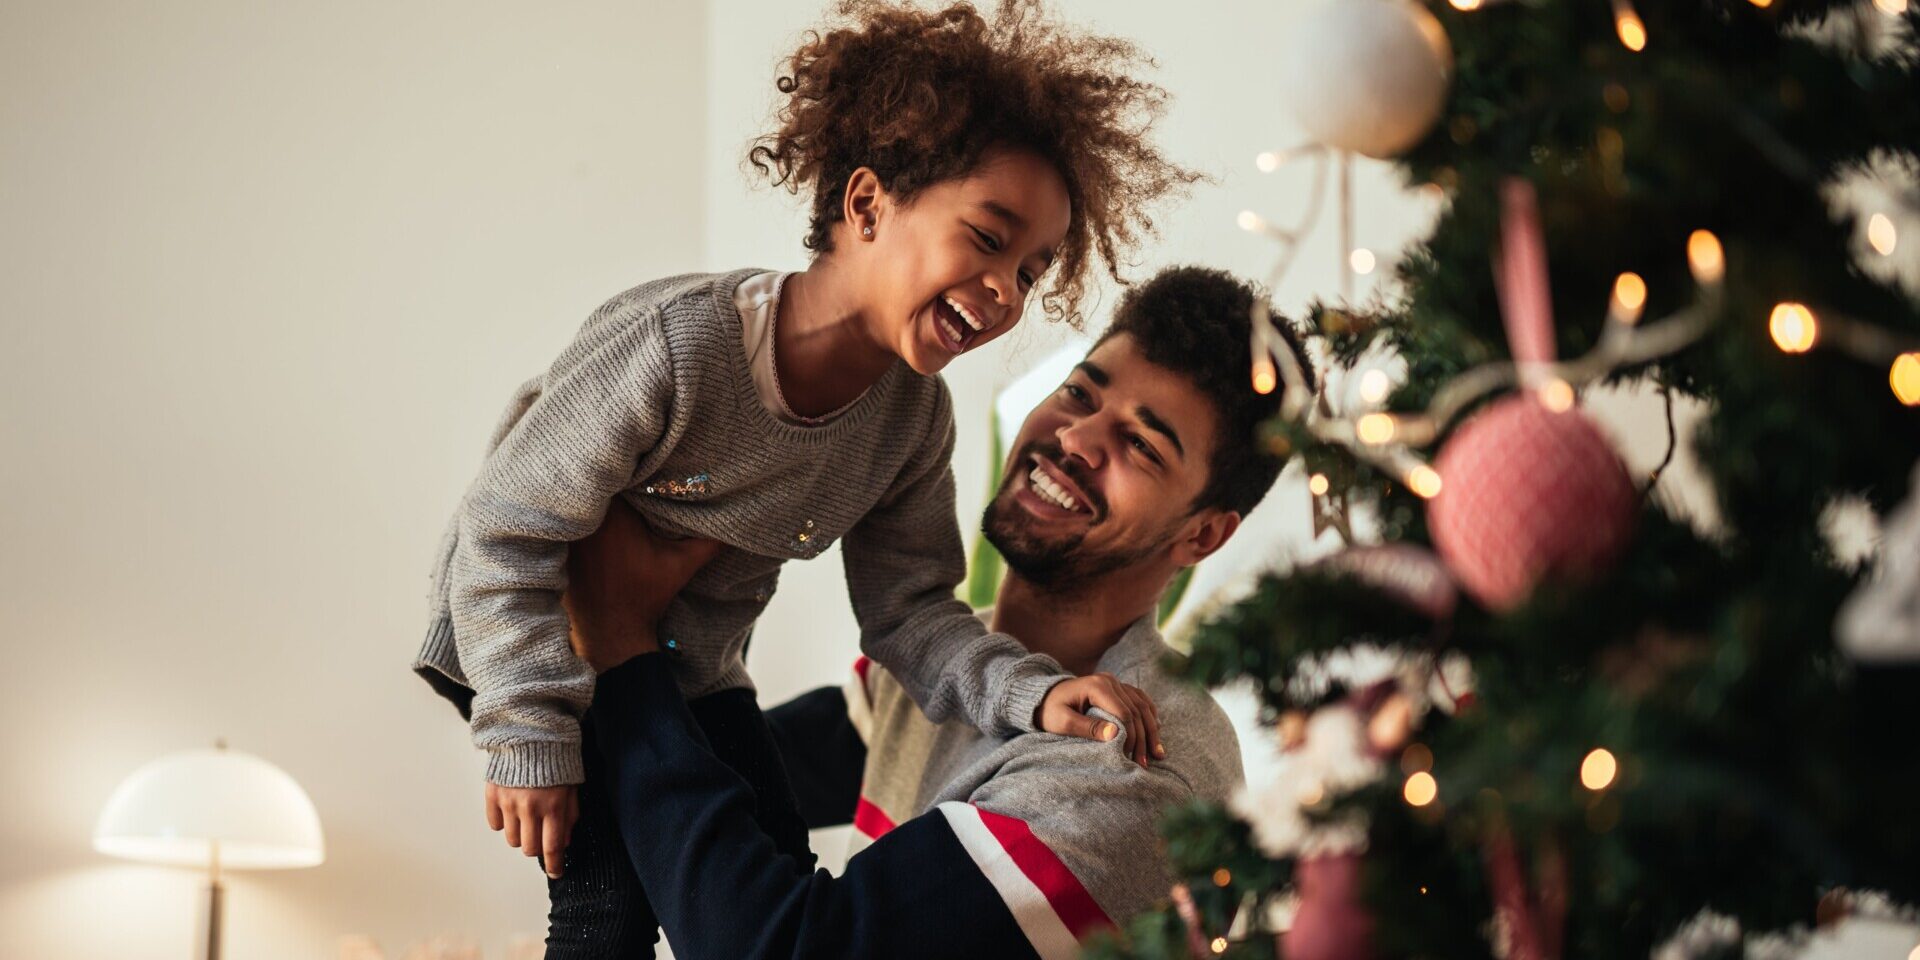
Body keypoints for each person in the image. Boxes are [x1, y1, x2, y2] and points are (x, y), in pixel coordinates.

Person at [411, 2, 1195, 955]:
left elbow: (912, 614)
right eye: (987, 240)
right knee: (604, 914)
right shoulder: (681, 347)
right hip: (531, 630)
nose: (1005, 294)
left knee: (773, 869)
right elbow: (506, 527)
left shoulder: (911, 418)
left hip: (688, 667)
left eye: (1032, 272)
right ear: (866, 206)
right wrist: (529, 728)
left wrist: (1032, 696)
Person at [567, 267, 1312, 959]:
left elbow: (784, 949)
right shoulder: (963, 660)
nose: (1076, 440)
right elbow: (714, 779)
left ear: (1202, 533)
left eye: (1142, 445)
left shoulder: (1132, 768)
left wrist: (620, 639)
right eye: (1081, 393)